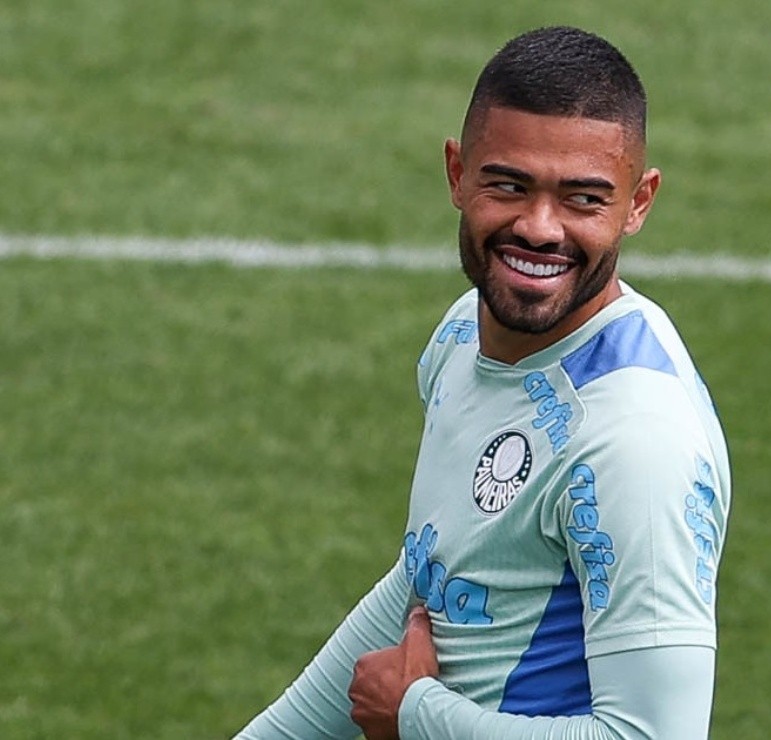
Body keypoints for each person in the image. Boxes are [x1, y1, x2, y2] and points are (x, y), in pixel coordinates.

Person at [236, 25, 731, 740]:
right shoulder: (464, 334)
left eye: (583, 199)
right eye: (509, 185)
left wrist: (414, 714)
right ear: (457, 173)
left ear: (638, 202)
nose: (539, 228)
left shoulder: (636, 446)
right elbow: (431, 582)